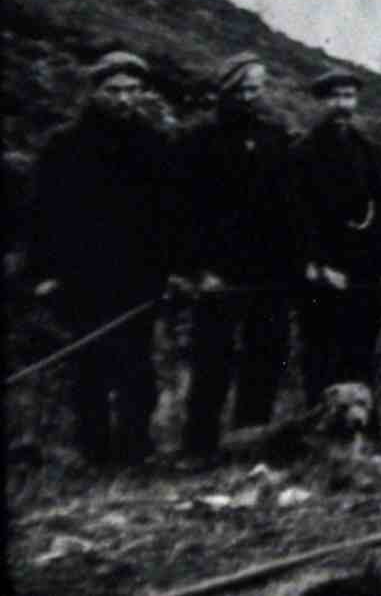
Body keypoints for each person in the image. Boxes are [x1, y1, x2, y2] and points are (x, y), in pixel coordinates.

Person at [29, 52, 174, 465]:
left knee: (138, 368)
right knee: (89, 366)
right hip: (82, 277)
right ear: (95, 91)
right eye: (114, 91)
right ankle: (94, 453)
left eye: (133, 90)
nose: (124, 99)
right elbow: (42, 214)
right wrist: (44, 273)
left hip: (139, 278)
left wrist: (170, 269)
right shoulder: (64, 145)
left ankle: (134, 451)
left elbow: (172, 213)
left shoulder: (154, 143)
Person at [174, 52, 300, 457]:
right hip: (219, 271)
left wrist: (289, 262)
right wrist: (197, 268)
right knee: (212, 361)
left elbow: (288, 204)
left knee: (265, 357)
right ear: (225, 90)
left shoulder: (274, 135)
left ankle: (251, 442)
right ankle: (199, 447)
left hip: (269, 270)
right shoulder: (198, 139)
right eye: (243, 89)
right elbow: (182, 212)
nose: (251, 96)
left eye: (257, 89)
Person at [289, 67, 381, 410]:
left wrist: (377, 260)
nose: (342, 105)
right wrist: (317, 262)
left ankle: (359, 427)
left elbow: (380, 205)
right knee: (320, 347)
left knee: (360, 345)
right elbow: (299, 213)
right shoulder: (303, 150)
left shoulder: (368, 149)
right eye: (334, 97)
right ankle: (319, 424)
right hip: (323, 268)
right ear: (320, 101)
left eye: (348, 97)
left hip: (362, 266)